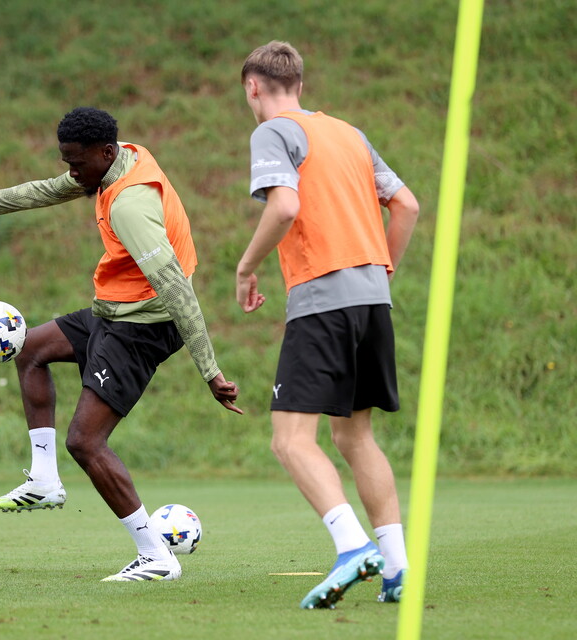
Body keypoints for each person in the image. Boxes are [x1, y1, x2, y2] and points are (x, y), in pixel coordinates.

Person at [0, 106, 241, 581]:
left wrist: (210, 371)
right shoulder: (120, 159)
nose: (71, 172)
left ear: (104, 152)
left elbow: (177, 289)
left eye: (76, 163)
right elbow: (47, 189)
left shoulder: (130, 205)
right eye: (67, 161)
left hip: (141, 327)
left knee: (85, 441)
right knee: (31, 350)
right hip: (113, 310)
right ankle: (44, 479)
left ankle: (156, 556)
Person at [235, 42, 420, 608]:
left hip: (322, 299)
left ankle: (352, 547)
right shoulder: (348, 133)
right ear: (300, 83)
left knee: (290, 440)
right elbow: (407, 205)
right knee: (354, 435)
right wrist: (381, 272)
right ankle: (397, 567)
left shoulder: (273, 131)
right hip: (372, 301)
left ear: (253, 88)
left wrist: (246, 267)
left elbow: (285, 207)